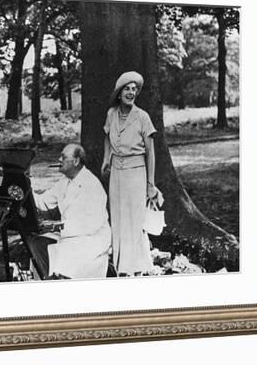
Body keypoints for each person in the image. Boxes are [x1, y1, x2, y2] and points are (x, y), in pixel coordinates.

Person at [101, 71, 162, 277]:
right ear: (119, 93)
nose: (131, 92)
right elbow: (107, 137)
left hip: (136, 172)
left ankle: (136, 265)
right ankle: (121, 265)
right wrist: (106, 159)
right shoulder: (111, 114)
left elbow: (150, 152)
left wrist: (150, 183)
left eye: (134, 89)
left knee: (135, 219)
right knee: (118, 216)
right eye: (127, 89)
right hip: (117, 173)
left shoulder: (142, 116)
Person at [29, 144, 112, 279]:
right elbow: (43, 202)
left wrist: (60, 226)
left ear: (76, 161)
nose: (59, 159)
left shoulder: (92, 185)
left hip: (92, 238)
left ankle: (60, 283)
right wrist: (27, 186)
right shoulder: (64, 182)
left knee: (67, 251)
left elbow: (93, 225)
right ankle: (47, 282)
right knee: (36, 243)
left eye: (63, 157)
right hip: (70, 235)